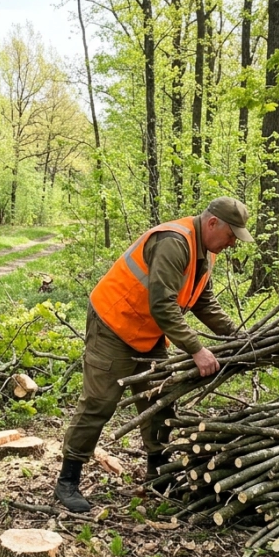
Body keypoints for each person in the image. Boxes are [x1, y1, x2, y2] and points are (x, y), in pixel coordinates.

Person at [55, 197, 254, 512]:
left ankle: (157, 477)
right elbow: (162, 305)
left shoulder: (206, 250)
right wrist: (197, 350)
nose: (232, 243)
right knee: (99, 402)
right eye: (231, 235)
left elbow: (203, 301)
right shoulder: (175, 242)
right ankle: (68, 480)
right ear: (213, 222)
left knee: (160, 401)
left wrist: (239, 337)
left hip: (148, 332)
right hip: (114, 324)